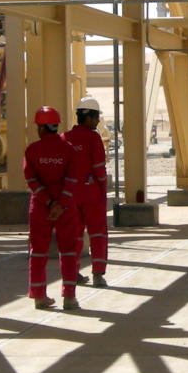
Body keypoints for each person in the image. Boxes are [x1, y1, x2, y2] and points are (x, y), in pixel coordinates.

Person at [23, 105, 88, 310]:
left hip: (40, 207)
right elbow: (72, 179)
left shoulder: (32, 150)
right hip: (65, 207)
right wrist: (60, 203)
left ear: (41, 128)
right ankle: (69, 297)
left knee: (38, 252)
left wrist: (48, 202)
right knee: (68, 251)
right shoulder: (68, 150)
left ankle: (39, 296)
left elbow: (31, 179)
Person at [66, 95, 111, 287]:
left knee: (74, 234)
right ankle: (98, 274)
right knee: (97, 234)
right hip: (92, 194)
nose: (98, 121)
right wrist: (103, 187)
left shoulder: (65, 138)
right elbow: (99, 167)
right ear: (89, 117)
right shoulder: (93, 138)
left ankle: (72, 272)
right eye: (97, 117)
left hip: (70, 195)